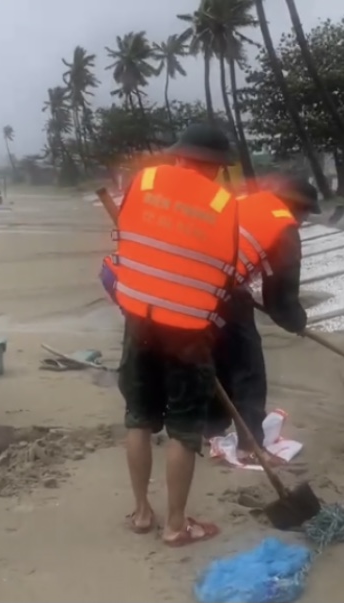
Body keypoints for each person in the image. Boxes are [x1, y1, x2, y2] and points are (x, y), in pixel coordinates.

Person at [109, 123, 239, 546]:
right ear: (218, 167)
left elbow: (126, 238)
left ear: (180, 156)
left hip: (138, 318)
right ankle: (175, 524)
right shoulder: (224, 203)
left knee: (139, 418)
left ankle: (143, 512)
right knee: (184, 427)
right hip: (186, 328)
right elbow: (227, 271)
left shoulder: (142, 180)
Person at [207, 175, 317, 464]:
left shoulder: (249, 201)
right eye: (306, 215)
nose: (304, 222)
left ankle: (208, 428)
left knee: (214, 359)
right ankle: (249, 444)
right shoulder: (284, 227)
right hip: (219, 290)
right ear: (300, 209)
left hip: (191, 283)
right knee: (249, 371)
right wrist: (297, 322)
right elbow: (280, 295)